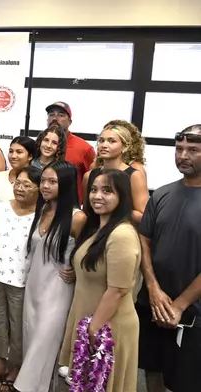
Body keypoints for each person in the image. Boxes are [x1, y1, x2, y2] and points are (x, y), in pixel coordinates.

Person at [58, 170, 140, 391]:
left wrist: (93, 330)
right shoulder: (98, 229)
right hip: (90, 322)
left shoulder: (122, 235)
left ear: (122, 196)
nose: (97, 196)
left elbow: (118, 290)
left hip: (107, 328)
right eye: (93, 190)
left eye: (107, 191)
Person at [136, 125, 201, 392]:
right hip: (153, 302)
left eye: (193, 150)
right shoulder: (161, 193)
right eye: (179, 149)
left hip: (193, 312)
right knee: (153, 369)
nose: (183, 155)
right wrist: (153, 289)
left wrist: (179, 304)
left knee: (185, 380)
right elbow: (144, 240)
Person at [13, 161, 86, 392]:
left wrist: (76, 270)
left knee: (42, 347)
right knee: (32, 344)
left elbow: (87, 252)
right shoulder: (42, 209)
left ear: (64, 184)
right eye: (43, 180)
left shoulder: (77, 218)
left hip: (57, 291)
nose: (45, 185)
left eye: (52, 181)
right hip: (33, 287)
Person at [0, 166, 41, 391]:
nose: (20, 188)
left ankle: (15, 367)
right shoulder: (2, 207)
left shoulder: (41, 216)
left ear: (39, 189)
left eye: (27, 185)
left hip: (22, 281)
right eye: (18, 183)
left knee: (17, 327)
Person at [83, 123, 149, 224]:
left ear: (125, 147)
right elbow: (87, 212)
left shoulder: (134, 175)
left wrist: (113, 206)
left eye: (111, 141)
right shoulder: (89, 176)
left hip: (121, 231)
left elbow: (143, 216)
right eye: (101, 140)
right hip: (93, 232)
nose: (104, 145)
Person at [45, 101, 95, 204]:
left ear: (69, 122)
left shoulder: (84, 148)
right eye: (51, 114)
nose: (55, 118)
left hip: (71, 209)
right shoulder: (41, 145)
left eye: (61, 115)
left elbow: (94, 181)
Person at [0, 136, 36, 204]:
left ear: (30, 156)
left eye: (19, 152)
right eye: (11, 151)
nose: (13, 156)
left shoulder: (37, 180)